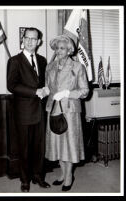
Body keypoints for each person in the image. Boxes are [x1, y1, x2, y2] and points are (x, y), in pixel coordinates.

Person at [7, 27, 50, 192]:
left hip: (40, 111)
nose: (30, 41)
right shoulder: (15, 61)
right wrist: (35, 91)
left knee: (39, 148)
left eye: (34, 39)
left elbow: (46, 82)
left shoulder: (43, 60)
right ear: (22, 40)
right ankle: (25, 180)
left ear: (39, 42)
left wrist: (47, 89)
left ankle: (38, 176)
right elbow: (12, 85)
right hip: (23, 112)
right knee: (24, 148)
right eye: (27, 38)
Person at [45, 35, 89, 191]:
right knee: (57, 145)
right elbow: (48, 88)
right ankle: (63, 174)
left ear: (69, 50)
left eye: (62, 48)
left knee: (68, 146)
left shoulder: (78, 67)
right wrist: (41, 91)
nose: (58, 51)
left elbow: (84, 91)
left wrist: (67, 93)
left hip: (70, 111)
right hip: (54, 109)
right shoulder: (49, 67)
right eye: (56, 48)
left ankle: (69, 176)